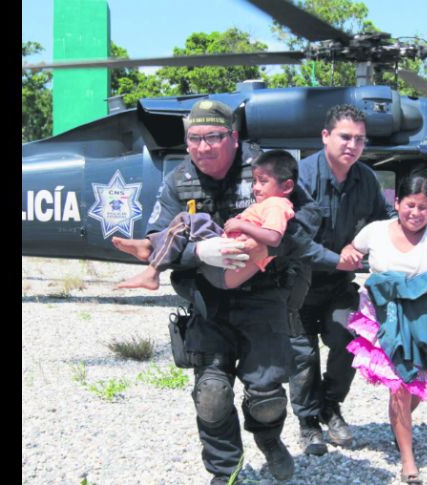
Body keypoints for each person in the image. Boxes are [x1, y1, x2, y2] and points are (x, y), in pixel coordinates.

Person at [142, 99, 319, 484]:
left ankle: (269, 440)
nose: (203, 147)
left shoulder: (265, 169)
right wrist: (199, 251)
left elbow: (308, 218)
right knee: (211, 393)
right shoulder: (178, 181)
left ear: (234, 138)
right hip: (208, 299)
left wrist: (265, 247)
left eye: (214, 137)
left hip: (263, 296)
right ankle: (226, 472)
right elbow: (155, 239)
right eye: (195, 139)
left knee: (267, 396)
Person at [342, 169, 427, 484]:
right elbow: (351, 248)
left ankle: (399, 428)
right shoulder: (376, 230)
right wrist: (348, 252)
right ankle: (408, 460)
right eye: (410, 205)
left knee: (419, 386)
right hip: (383, 317)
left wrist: (393, 284)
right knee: (399, 387)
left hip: (422, 316)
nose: (416, 213)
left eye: (423, 207)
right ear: (397, 202)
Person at [288, 104, 395, 456]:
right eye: (345, 137)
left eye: (360, 139)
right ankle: (307, 424)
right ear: (325, 137)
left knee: (348, 337)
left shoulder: (365, 179)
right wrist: (338, 258)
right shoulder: (301, 177)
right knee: (302, 356)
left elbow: (382, 225)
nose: (352, 145)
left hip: (338, 286)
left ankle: (330, 408)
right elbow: (293, 241)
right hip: (296, 285)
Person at [112, 150, 297, 291]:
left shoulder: (276, 205)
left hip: (227, 269)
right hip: (225, 260)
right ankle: (151, 249)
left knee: (186, 222)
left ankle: (151, 262)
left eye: (262, 182)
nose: (255, 188)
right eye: (254, 181)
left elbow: (273, 238)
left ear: (287, 186)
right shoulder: (270, 203)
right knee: (192, 221)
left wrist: (242, 225)